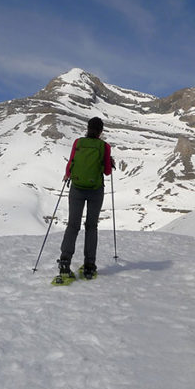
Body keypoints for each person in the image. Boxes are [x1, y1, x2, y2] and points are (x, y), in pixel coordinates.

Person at [58, 116, 114, 281]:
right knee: (91, 226)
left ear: (87, 128)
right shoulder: (104, 146)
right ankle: (89, 266)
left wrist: (68, 175)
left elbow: (71, 164)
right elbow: (107, 172)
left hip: (76, 188)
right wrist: (109, 162)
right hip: (95, 190)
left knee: (73, 225)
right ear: (101, 131)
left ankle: (64, 262)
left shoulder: (78, 143)